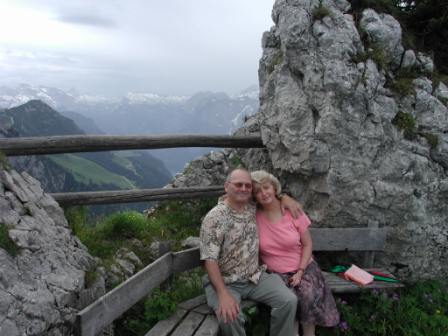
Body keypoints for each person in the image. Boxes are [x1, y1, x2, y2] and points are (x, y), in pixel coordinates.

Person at [200, 168, 302, 336]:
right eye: (238, 184)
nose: (244, 189)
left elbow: (270, 198)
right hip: (225, 282)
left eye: (248, 186)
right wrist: (223, 294)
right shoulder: (214, 218)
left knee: (288, 300)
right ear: (227, 187)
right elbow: (209, 260)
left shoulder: (251, 207)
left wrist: (285, 198)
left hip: (255, 277)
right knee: (229, 316)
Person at [251, 170, 340, 336]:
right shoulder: (253, 216)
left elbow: (307, 245)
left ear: (274, 187)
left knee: (307, 294)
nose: (263, 193)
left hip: (304, 267)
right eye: (257, 191)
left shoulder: (292, 211)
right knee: (288, 299)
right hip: (275, 273)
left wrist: (300, 271)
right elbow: (231, 199)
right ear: (254, 196)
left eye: (266, 187)